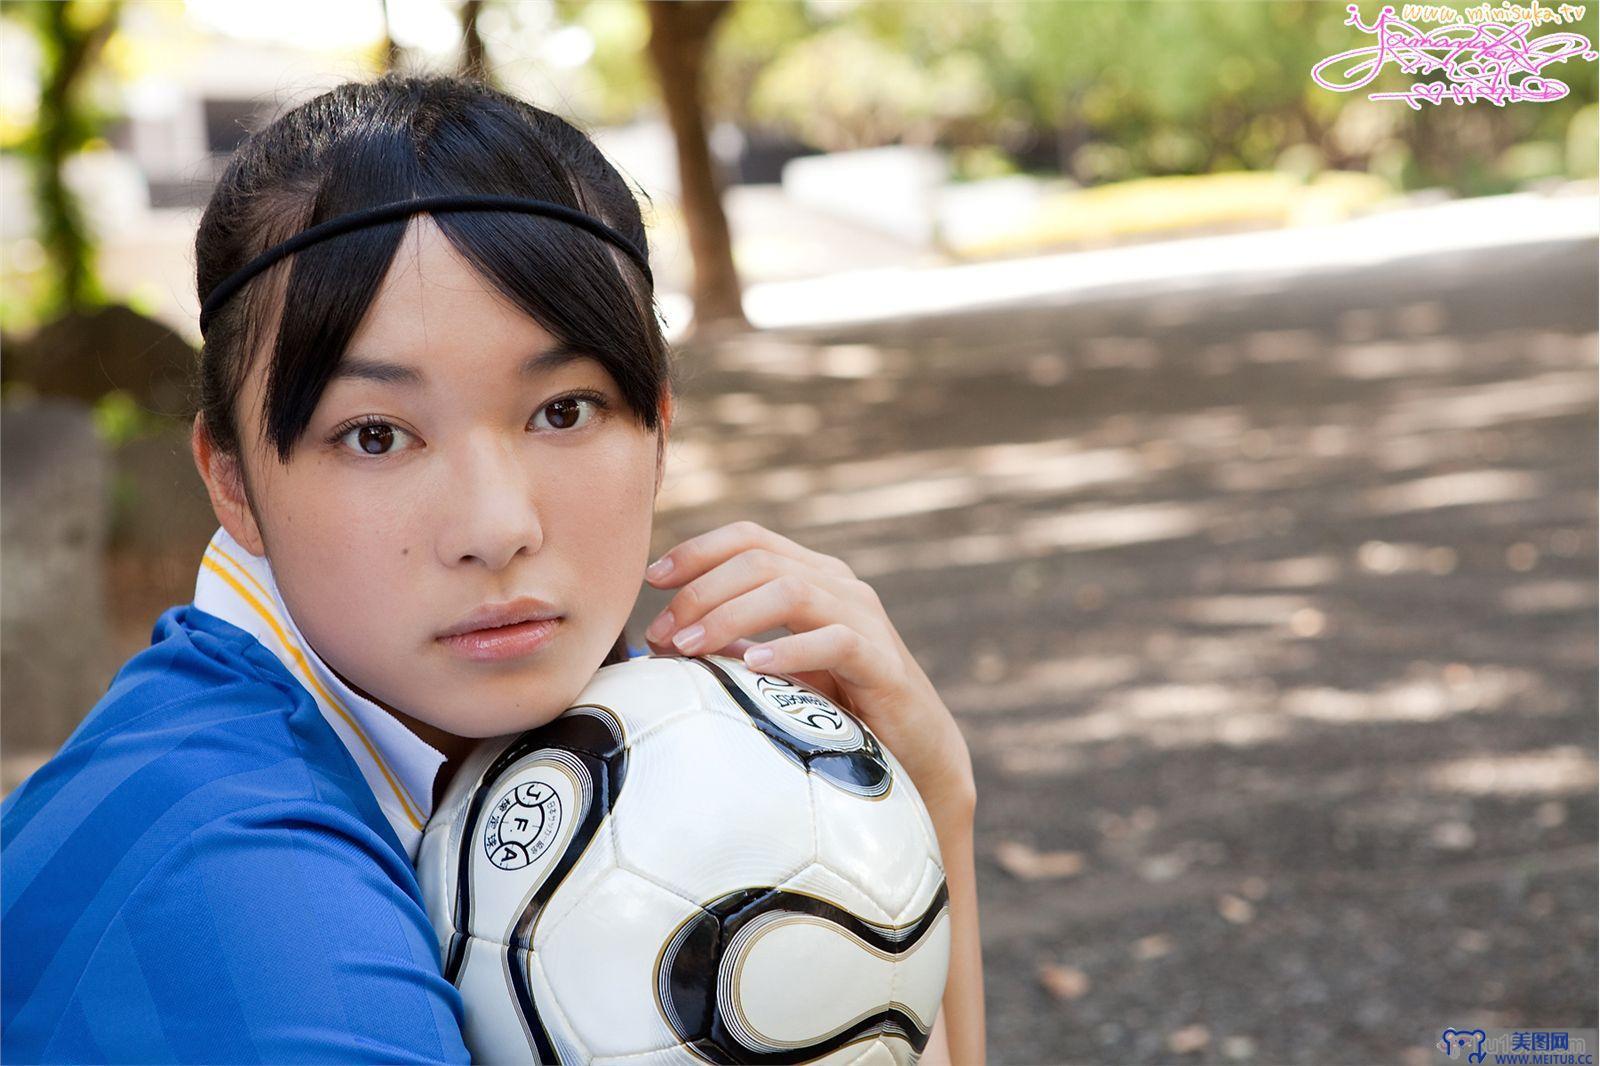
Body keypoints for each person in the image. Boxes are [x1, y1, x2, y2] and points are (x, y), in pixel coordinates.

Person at [1, 72, 985, 1063]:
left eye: (564, 410)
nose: (496, 525)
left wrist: (920, 806)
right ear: (234, 483)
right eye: (376, 434)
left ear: (658, 426)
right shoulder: (259, 913)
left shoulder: (584, 741)